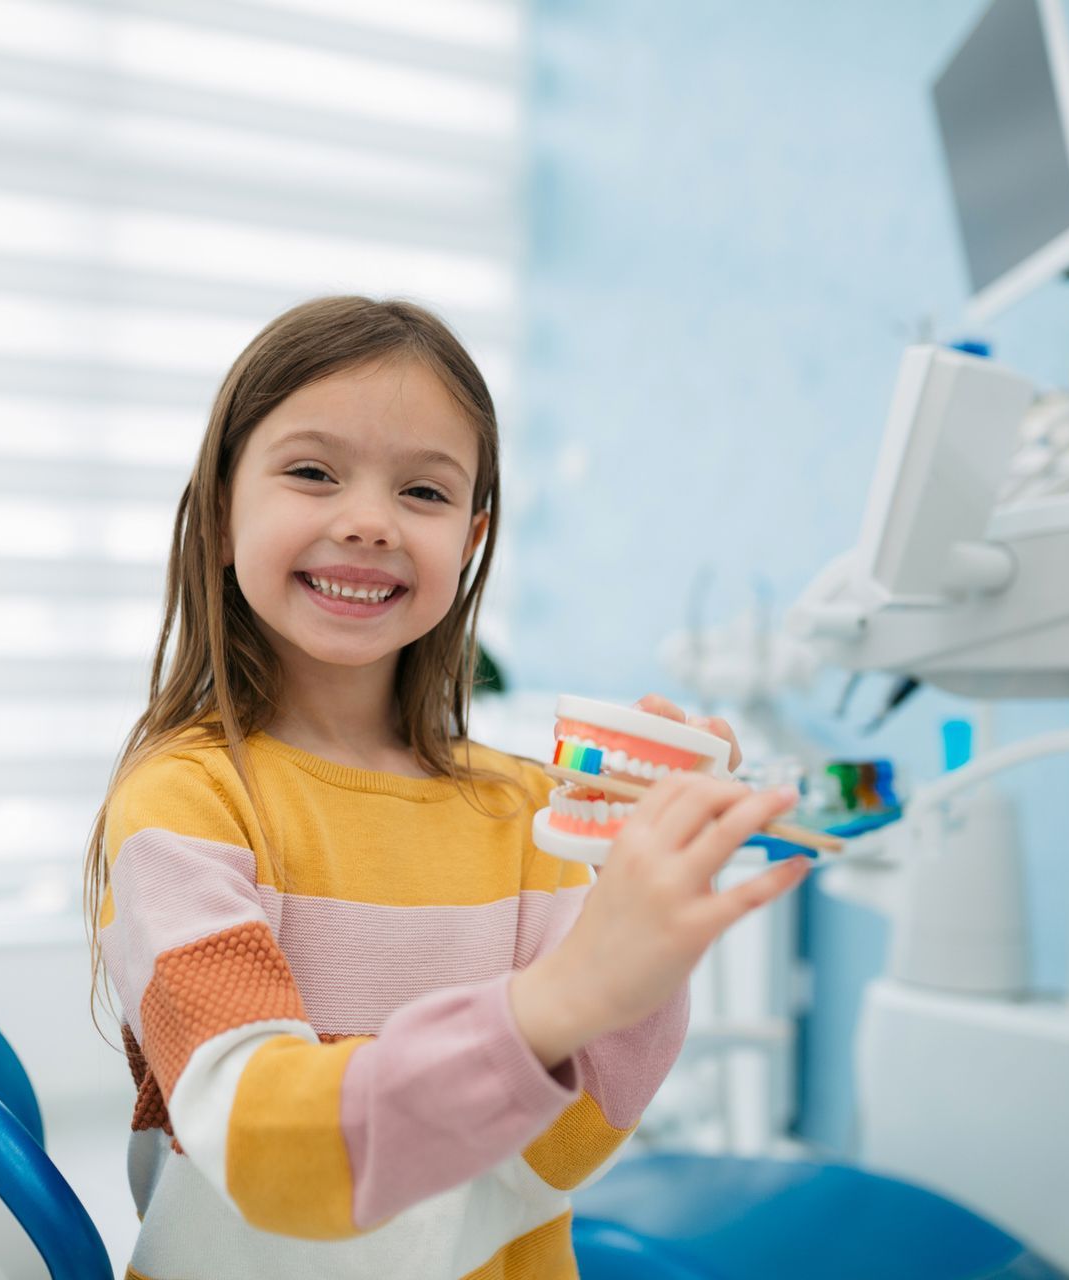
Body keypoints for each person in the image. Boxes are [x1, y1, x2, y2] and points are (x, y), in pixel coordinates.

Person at [83, 296, 810, 1280]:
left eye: (423, 493)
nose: (370, 521)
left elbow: (561, 1146)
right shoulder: (184, 805)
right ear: (220, 512)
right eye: (311, 471)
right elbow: (259, 1142)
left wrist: (649, 925)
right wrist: (558, 997)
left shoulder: (519, 810)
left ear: (469, 542)